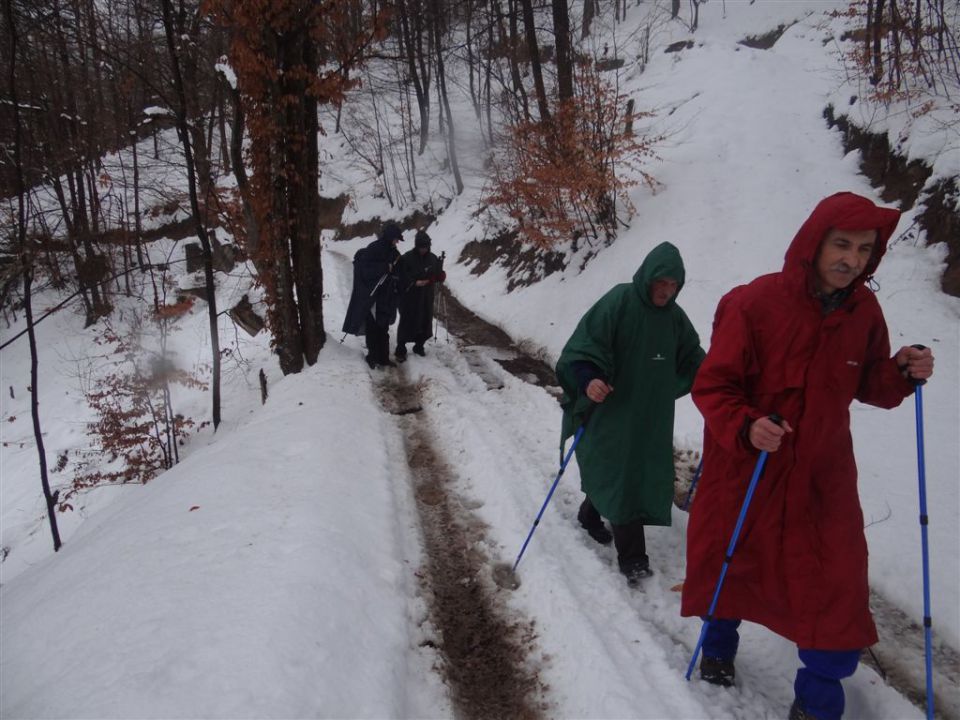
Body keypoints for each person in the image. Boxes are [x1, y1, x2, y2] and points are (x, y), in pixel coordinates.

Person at [681, 192, 935, 720]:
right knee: (731, 561)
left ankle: (817, 704)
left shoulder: (864, 311)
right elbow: (713, 386)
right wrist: (747, 426)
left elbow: (871, 384)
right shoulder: (754, 304)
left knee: (833, 586)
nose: (852, 260)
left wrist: (901, 372)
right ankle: (718, 646)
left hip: (823, 475)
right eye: (842, 245)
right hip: (750, 465)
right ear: (813, 244)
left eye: (865, 250)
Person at [555, 241, 705, 586]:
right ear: (647, 277)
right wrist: (589, 379)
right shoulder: (619, 301)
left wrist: (719, 378)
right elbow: (581, 348)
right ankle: (634, 558)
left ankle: (589, 514)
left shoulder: (674, 318)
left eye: (673, 285)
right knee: (622, 475)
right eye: (661, 283)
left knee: (627, 472)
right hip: (611, 410)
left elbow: (694, 357)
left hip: (650, 415)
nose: (666, 292)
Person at [341, 222, 403, 369]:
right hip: (372, 295)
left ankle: (384, 358)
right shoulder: (374, 249)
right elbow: (364, 271)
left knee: (384, 327)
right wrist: (384, 268)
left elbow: (397, 271)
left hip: (387, 296)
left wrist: (395, 275)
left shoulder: (395, 253)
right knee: (373, 327)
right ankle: (372, 357)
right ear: (389, 237)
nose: (397, 242)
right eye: (396, 239)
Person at [395, 230, 445, 361]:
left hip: (426, 295)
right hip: (409, 296)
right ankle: (401, 348)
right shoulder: (407, 258)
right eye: (421, 247)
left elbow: (436, 274)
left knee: (425, 319)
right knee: (407, 320)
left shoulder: (433, 258)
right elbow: (401, 276)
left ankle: (419, 345)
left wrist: (440, 276)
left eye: (426, 247)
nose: (423, 250)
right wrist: (414, 282)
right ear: (416, 246)